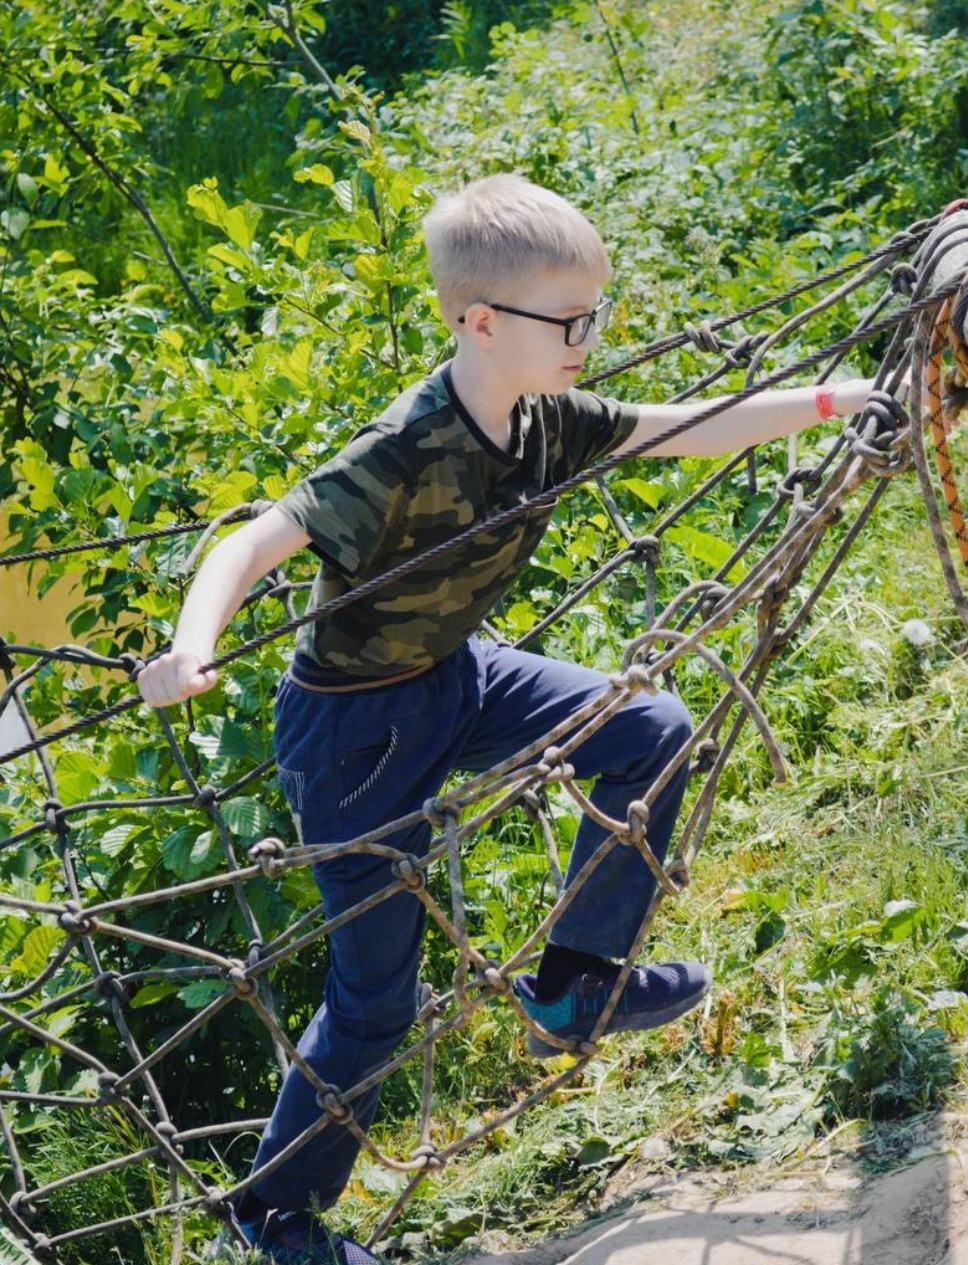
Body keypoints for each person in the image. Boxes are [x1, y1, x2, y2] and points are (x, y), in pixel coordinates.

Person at [140, 173, 880, 1264]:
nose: (589, 338)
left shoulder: (550, 421)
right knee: (376, 1004)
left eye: (597, 316)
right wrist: (192, 647)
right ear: (480, 322)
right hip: (354, 735)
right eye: (570, 321)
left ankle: (576, 989)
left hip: (458, 675)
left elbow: (690, 426)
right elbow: (256, 540)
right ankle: (273, 1217)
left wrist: (837, 401)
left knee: (648, 727)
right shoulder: (402, 447)